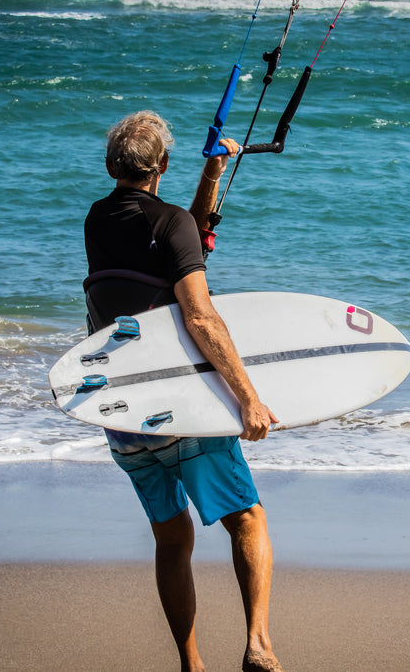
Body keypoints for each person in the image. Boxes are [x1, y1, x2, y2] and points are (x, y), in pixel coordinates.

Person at [83, 110, 283, 672]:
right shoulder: (168, 224)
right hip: (178, 410)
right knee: (246, 517)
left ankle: (191, 666)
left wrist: (212, 176)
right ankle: (259, 646)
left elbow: (174, 241)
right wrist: (248, 398)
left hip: (122, 417)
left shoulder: (97, 221)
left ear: (110, 166)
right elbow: (201, 318)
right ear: (163, 165)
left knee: (172, 541)